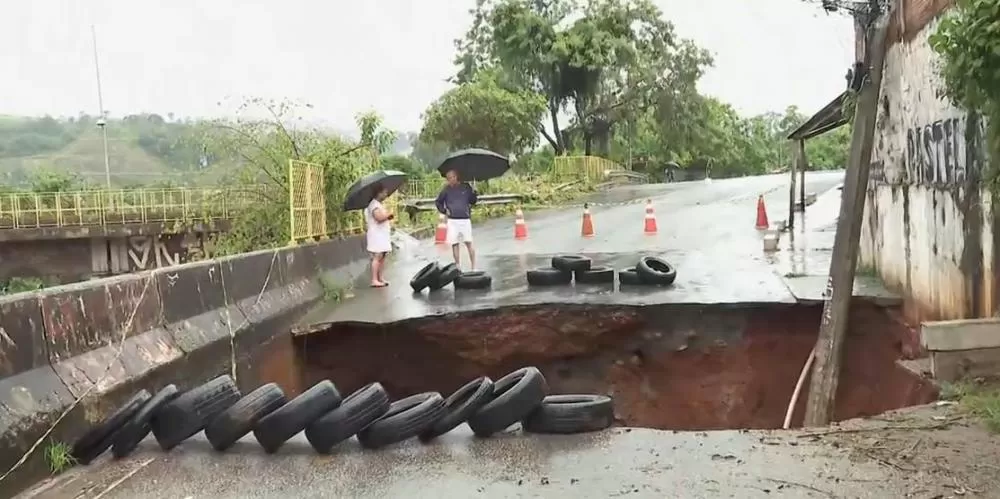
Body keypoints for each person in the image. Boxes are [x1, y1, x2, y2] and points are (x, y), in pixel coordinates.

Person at [435, 169, 478, 270]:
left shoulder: (466, 187)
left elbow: (473, 201)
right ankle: (458, 266)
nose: (450, 180)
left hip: (465, 219)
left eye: (451, 178)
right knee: (455, 243)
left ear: (456, 177)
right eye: (448, 179)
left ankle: (474, 267)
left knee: (468, 242)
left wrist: (475, 193)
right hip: (452, 220)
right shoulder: (446, 189)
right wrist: (444, 211)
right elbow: (438, 202)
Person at [365, 185, 394, 287]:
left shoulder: (377, 204)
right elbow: (378, 218)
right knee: (377, 257)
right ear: (378, 193)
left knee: (382, 256)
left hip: (381, 234)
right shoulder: (373, 205)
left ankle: (380, 278)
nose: (386, 195)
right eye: (384, 192)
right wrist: (388, 215)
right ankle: (374, 279)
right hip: (376, 235)